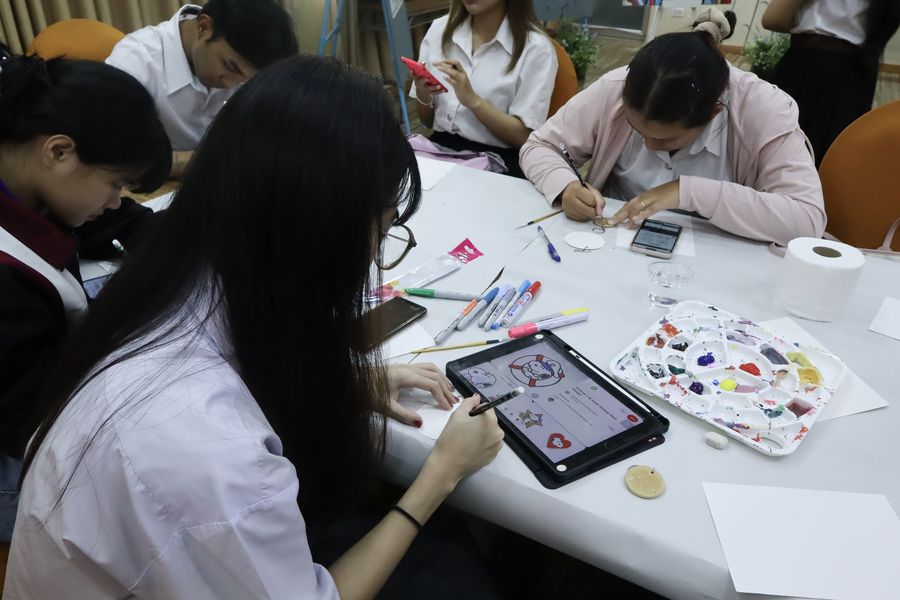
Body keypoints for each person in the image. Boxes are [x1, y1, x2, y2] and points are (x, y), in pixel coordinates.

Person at [6, 56, 504, 599]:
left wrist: (350, 384)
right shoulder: (203, 450)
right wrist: (440, 475)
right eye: (381, 232)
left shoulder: (177, 279)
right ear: (319, 232)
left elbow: (248, 360)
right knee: (451, 561)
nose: (373, 257)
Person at [0, 48, 171, 543]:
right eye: (114, 184)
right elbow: (31, 419)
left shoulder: (29, 182)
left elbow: (111, 219)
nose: (115, 201)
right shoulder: (7, 284)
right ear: (58, 151)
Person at [520, 9, 827, 246]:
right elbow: (540, 146)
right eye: (637, 130)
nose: (649, 146)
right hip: (614, 244)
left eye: (666, 140)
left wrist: (686, 191)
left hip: (719, 258)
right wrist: (566, 186)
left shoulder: (763, 109)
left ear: (714, 112)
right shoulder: (614, 89)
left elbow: (806, 219)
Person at [107, 0, 298, 177]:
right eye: (230, 66)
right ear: (204, 27)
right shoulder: (134, 63)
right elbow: (116, 158)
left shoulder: (242, 65)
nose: (231, 84)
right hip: (157, 188)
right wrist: (210, 159)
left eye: (246, 79)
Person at [411, 0, 558, 178]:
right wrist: (423, 92)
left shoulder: (536, 48)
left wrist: (474, 102)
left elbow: (524, 138)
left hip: (500, 161)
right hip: (440, 150)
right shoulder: (439, 30)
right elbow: (426, 121)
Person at [763, 0, 900, 166]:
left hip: (808, 67)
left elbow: (773, 18)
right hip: (855, 75)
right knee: (825, 161)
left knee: (775, 153)